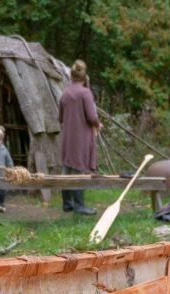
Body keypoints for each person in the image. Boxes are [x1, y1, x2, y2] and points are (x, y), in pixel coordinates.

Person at [59, 59, 102, 215]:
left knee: (67, 167)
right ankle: (79, 206)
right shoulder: (85, 93)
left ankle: (67, 204)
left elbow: (60, 118)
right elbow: (91, 116)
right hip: (81, 136)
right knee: (78, 167)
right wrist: (97, 124)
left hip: (68, 136)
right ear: (84, 77)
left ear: (71, 76)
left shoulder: (65, 94)